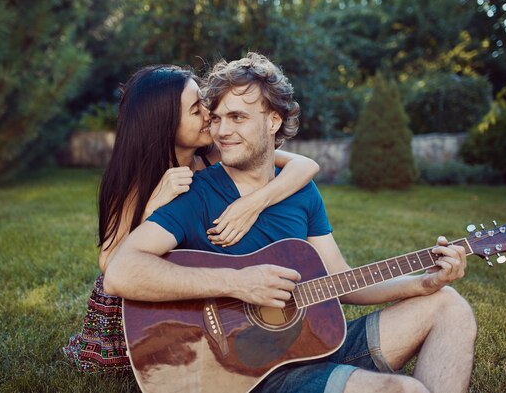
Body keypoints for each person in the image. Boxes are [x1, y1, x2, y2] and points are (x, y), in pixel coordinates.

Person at [103, 53, 477, 393]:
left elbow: (342, 280)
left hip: (312, 345)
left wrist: (423, 282)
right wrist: (238, 282)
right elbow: (120, 271)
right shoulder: (192, 192)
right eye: (216, 118)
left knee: (449, 304)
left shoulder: (301, 192)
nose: (221, 130)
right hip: (246, 374)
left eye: (238, 117)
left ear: (273, 121)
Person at [63, 64, 320, 373]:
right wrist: (153, 207)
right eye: (196, 109)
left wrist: (254, 202)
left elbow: (305, 166)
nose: (209, 114)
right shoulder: (136, 180)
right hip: (140, 302)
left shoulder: (211, 154)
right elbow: (110, 263)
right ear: (166, 123)